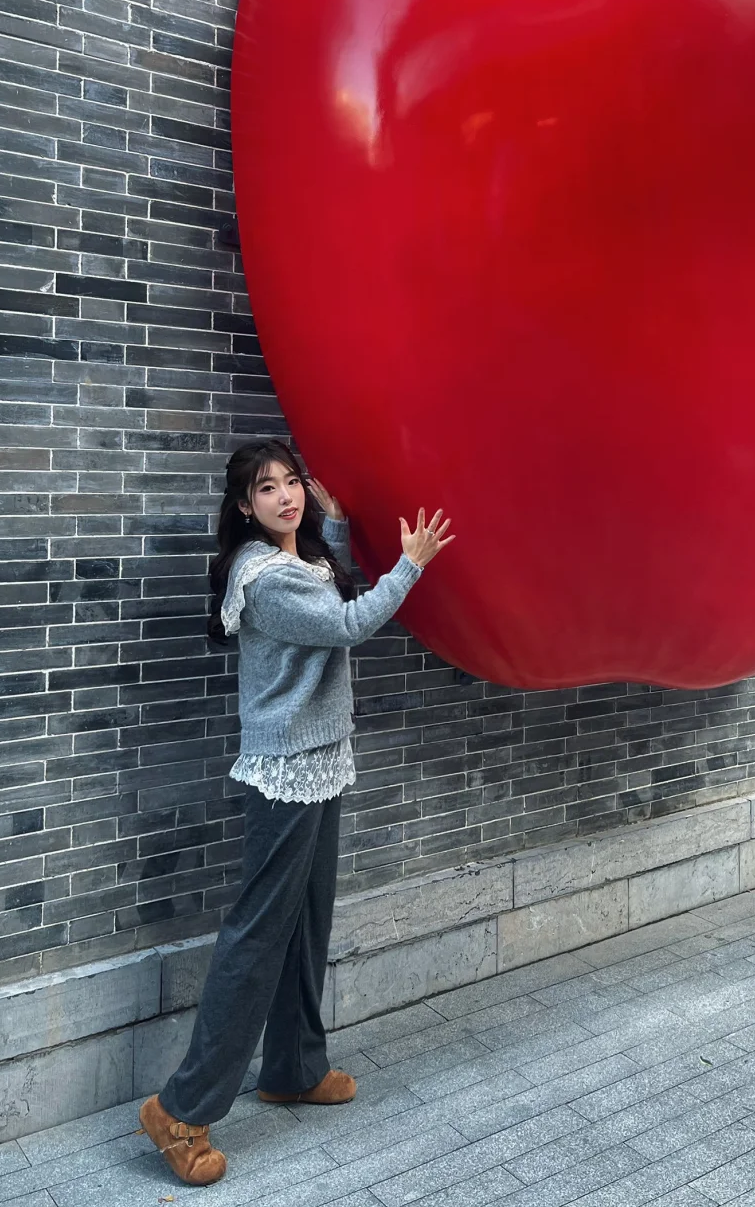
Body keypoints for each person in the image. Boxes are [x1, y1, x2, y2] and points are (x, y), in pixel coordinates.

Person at [138, 438, 453, 1187]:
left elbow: (329, 591)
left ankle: (293, 1066)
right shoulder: (265, 575)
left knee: (308, 923)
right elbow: (345, 623)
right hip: (284, 777)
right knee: (256, 937)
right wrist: (410, 564)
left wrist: (338, 530)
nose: (285, 497)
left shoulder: (300, 562)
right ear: (243, 507)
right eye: (265, 489)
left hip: (322, 763)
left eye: (290, 483)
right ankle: (179, 1110)